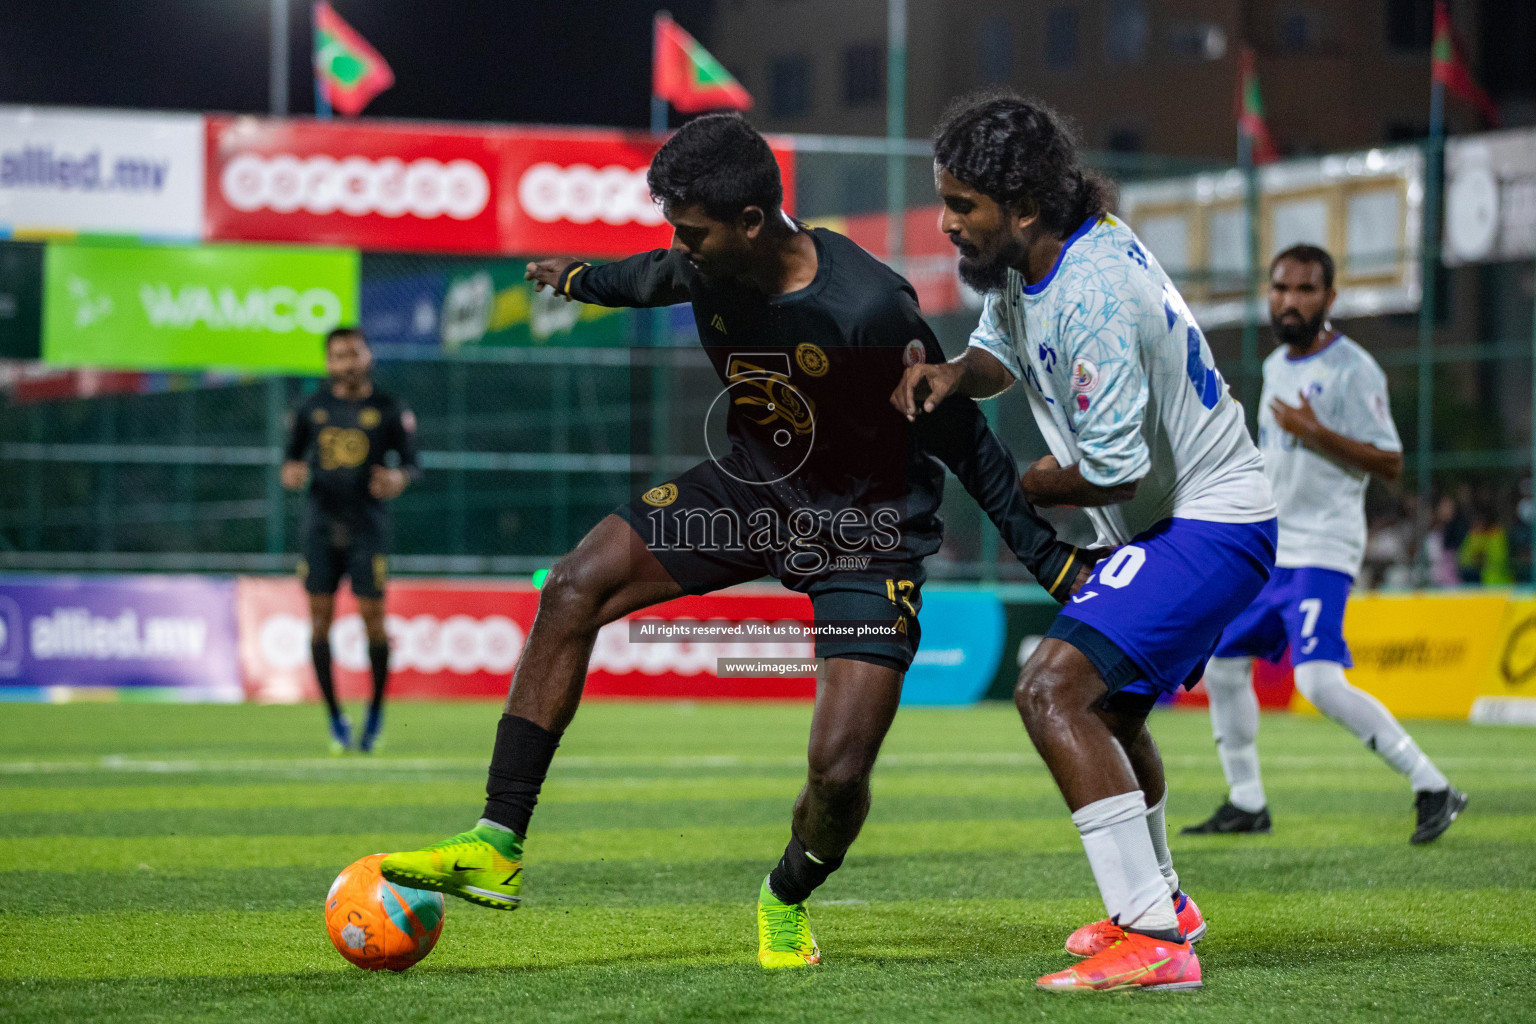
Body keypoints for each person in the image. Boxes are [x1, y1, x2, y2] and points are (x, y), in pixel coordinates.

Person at [379, 113, 1093, 970]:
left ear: (752, 223)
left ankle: (786, 893)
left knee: (836, 774)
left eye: (694, 232)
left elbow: (960, 434)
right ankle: (498, 841)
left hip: (868, 532)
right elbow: (653, 276)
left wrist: (1044, 554)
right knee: (573, 585)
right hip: (751, 489)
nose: (682, 248)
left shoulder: (866, 307)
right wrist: (578, 279)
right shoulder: (711, 262)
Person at [893, 91, 1278, 993]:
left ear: (1022, 208)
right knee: (1105, 713)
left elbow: (1109, 468)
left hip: (1209, 524)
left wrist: (1023, 482)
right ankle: (1164, 905)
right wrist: (955, 377)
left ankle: (1153, 940)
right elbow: (1000, 348)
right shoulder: (1040, 259)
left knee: (1049, 688)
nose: (946, 223)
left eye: (962, 207)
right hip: (1178, 524)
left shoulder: (1095, 291)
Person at [1187, 246, 1465, 845]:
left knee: (1317, 684)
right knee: (1225, 665)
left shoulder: (1354, 368)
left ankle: (1433, 785)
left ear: (1329, 299)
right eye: (1281, 288)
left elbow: (1389, 460)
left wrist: (1314, 431)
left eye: (1306, 289)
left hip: (1322, 549)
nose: (1290, 300)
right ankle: (1246, 800)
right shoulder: (1279, 365)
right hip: (1271, 546)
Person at [281, 327, 419, 754]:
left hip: (367, 528)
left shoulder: (391, 409)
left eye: (354, 353)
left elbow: (413, 465)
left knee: (373, 623)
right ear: (328, 363)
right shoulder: (311, 408)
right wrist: (292, 473)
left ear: (368, 356)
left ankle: (375, 711)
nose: (347, 362)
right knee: (320, 622)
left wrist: (399, 477)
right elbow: (289, 462)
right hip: (320, 527)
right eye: (338, 356)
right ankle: (335, 717)